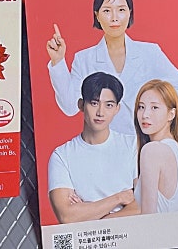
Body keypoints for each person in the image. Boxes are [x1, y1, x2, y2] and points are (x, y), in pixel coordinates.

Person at [47, 0, 178, 135]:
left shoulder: (150, 52)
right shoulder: (84, 59)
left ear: (129, 13)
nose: (114, 18)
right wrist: (58, 61)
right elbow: (69, 107)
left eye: (121, 10)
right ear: (97, 15)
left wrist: (162, 126)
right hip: (105, 143)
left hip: (142, 142)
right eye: (107, 11)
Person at [47, 72, 139, 224]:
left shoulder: (132, 146)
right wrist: (119, 198)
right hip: (86, 239)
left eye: (109, 105)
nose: (100, 112)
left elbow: (144, 205)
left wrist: (91, 216)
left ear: (117, 109)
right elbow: (67, 216)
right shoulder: (62, 155)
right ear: (81, 105)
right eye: (94, 103)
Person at [132, 79, 178, 213]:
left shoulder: (152, 150)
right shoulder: (175, 149)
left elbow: (148, 218)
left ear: (171, 114)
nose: (145, 115)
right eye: (141, 107)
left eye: (154, 107)